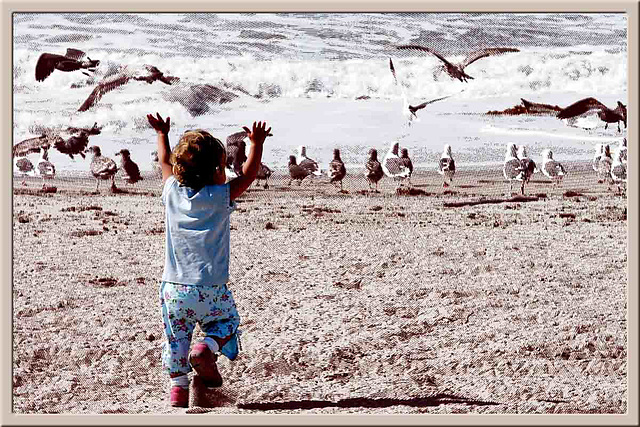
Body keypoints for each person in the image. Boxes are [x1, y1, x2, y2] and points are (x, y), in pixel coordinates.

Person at [147, 112, 272, 407]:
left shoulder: (172, 192)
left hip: (174, 288)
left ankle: (178, 388)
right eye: (222, 167)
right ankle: (207, 347)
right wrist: (256, 143)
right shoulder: (221, 195)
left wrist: (162, 134)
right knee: (226, 323)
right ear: (217, 170)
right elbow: (250, 174)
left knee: (176, 338)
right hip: (211, 287)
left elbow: (164, 162)